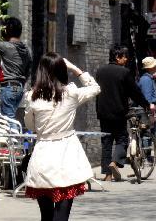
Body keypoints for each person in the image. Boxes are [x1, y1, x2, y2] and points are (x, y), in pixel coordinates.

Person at [23, 53, 100, 221]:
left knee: (46, 215)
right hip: (66, 156)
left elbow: (30, 126)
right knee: (62, 214)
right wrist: (75, 68)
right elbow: (95, 88)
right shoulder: (71, 93)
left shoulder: (32, 97)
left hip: (43, 154)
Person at [94, 44, 149, 181]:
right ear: (117, 57)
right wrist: (145, 105)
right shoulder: (124, 73)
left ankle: (107, 174)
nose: (126, 60)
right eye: (124, 57)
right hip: (119, 112)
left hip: (103, 112)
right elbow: (134, 92)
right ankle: (115, 162)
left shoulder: (100, 71)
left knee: (106, 142)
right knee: (122, 139)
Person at [0, 17, 32, 119]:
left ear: (7, 31)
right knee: (11, 116)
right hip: (20, 88)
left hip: (8, 88)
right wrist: (22, 82)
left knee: (8, 119)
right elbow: (29, 69)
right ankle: (14, 133)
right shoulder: (26, 49)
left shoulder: (7, 47)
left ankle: (13, 135)